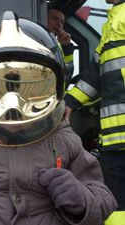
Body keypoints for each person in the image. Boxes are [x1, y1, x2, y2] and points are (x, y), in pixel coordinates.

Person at [0, 11, 117, 225]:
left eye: (32, 91)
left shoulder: (65, 140)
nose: (13, 107)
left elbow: (103, 198)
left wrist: (81, 199)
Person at [64, 0, 125, 223]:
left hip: (116, 139)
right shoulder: (112, 23)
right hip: (114, 141)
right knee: (116, 205)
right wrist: (69, 102)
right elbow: (95, 75)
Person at [47, 8, 75, 86]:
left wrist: (66, 47)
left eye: (62, 22)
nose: (59, 24)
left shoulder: (59, 45)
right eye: (55, 19)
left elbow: (67, 73)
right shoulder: (35, 38)